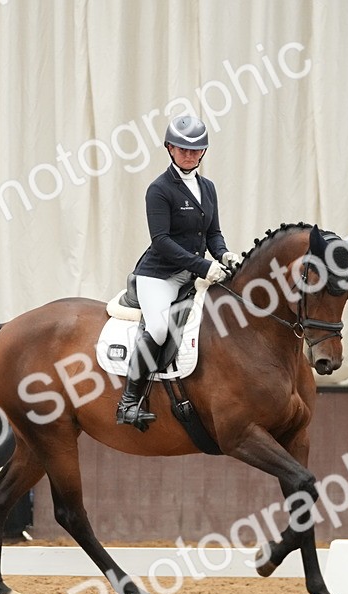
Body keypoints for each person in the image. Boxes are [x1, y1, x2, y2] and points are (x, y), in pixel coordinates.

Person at [116, 115, 242, 429]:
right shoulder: (159, 189)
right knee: (158, 330)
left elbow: (212, 233)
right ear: (170, 148)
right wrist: (204, 266)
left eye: (195, 149)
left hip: (191, 276)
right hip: (158, 276)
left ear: (203, 152)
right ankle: (128, 403)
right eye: (182, 148)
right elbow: (161, 241)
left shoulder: (208, 188)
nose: (189, 154)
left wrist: (224, 254)